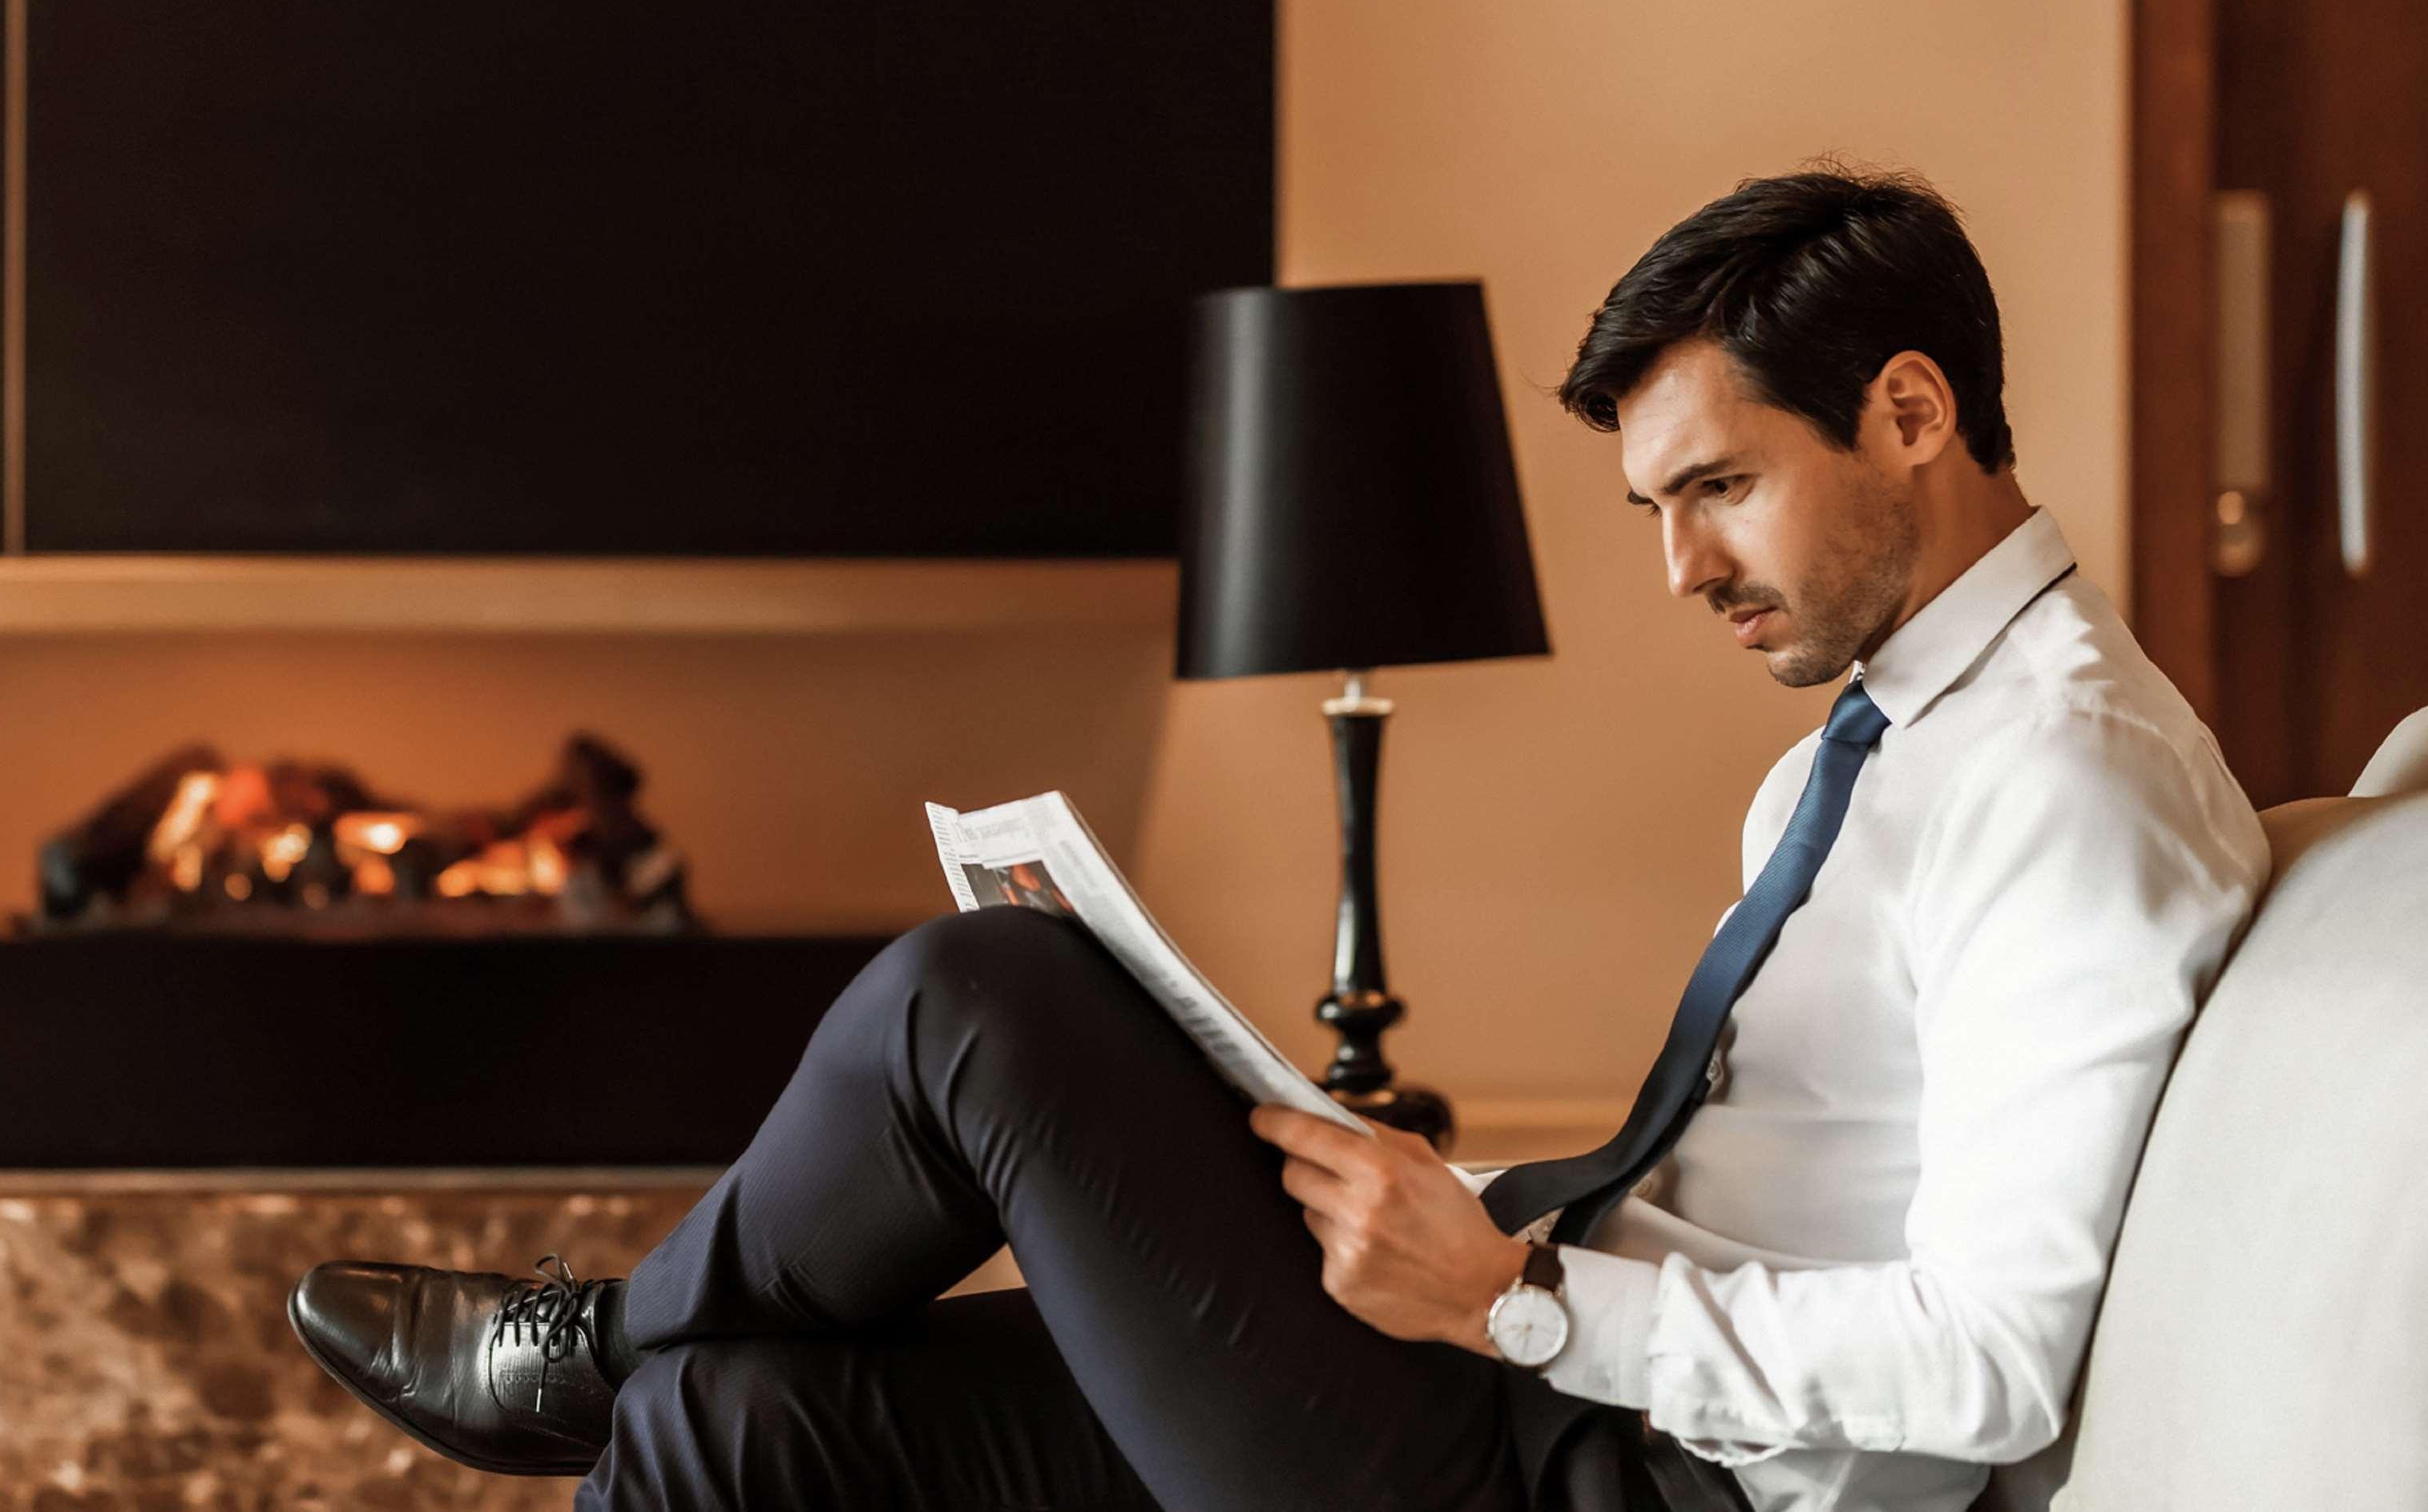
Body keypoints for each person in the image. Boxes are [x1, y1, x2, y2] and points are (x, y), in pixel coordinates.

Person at [286, 168, 2269, 1512]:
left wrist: (1511, 1303)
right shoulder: (1878, 746)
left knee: (980, 998)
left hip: (1607, 1470)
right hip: (1530, 1387)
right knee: (729, 1423)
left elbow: (1997, 1361)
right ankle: (616, 1358)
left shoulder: (2066, 784)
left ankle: (579, 1335)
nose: (1680, 568)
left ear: (1911, 411)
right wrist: (1464, 1229)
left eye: (1722, 486)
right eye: (1656, 505)